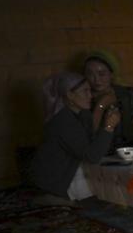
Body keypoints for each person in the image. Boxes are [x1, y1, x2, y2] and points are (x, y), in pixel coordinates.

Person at [30, 72, 120, 201]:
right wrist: (109, 127)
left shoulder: (82, 115)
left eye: (90, 91)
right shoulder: (62, 121)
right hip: (54, 182)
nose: (90, 96)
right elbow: (92, 156)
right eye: (85, 91)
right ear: (70, 95)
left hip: (71, 172)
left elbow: (93, 143)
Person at [83, 50, 133, 152]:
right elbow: (88, 134)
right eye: (90, 74)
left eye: (102, 74)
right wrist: (101, 105)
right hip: (99, 153)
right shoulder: (83, 98)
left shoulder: (126, 94)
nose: (96, 80)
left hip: (128, 150)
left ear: (111, 74)